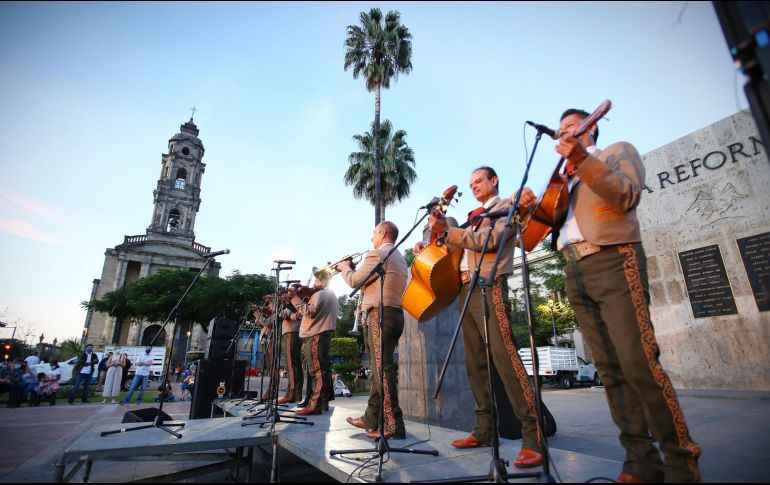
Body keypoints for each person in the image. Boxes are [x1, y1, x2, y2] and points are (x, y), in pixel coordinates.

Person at [518, 108, 701, 483]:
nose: (562, 132)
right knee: (610, 371)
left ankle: (681, 460)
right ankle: (639, 460)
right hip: (574, 269)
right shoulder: (563, 178)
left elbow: (626, 195)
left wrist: (581, 158)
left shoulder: (615, 151)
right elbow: (529, 238)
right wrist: (526, 212)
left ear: (591, 126)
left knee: (639, 362)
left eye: (570, 126)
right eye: (562, 129)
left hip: (614, 258)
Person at [419, 166, 543, 468]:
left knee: (506, 360)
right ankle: (484, 429)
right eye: (470, 183)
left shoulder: (505, 207)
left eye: (478, 181)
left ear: (494, 181)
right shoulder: (473, 216)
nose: (473, 186)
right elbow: (454, 247)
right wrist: (432, 243)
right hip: (465, 290)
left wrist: (449, 232)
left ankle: (533, 435)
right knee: (476, 364)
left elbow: (490, 240)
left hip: (490, 286)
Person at [339, 221, 408, 439]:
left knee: (382, 370)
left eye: (374, 233)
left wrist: (345, 268)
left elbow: (354, 281)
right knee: (380, 369)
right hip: (394, 314)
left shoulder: (377, 254)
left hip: (379, 314)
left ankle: (394, 423)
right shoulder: (399, 257)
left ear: (383, 233)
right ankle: (372, 417)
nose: (371, 238)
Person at [289, 272, 338, 416]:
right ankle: (322, 403)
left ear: (322, 282)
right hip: (323, 335)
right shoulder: (331, 295)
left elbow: (309, 312)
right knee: (322, 370)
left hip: (316, 335)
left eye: (316, 280)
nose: (313, 283)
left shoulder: (319, 294)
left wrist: (295, 299)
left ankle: (314, 405)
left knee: (316, 371)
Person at [277, 298, 303, 405]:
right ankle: (295, 394)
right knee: (293, 364)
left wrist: (286, 312)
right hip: (292, 332)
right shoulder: (290, 303)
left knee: (291, 364)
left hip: (291, 332)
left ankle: (291, 394)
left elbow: (283, 315)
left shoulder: (296, 302)